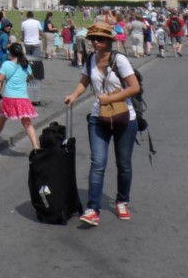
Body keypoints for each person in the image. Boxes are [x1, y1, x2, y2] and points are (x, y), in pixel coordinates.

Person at [63, 23, 140, 226]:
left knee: (123, 164)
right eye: (93, 38)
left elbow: (134, 87)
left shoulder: (119, 60)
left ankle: (122, 201)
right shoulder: (90, 59)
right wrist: (74, 95)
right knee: (97, 163)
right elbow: (84, 81)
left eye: (100, 38)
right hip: (99, 117)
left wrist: (110, 99)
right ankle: (93, 209)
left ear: (108, 41)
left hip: (125, 117)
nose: (95, 42)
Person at [0, 42, 39, 150]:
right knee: (27, 123)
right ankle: (36, 146)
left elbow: (0, 79)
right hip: (22, 97)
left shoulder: (6, 64)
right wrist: (25, 78)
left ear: (10, 53)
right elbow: (32, 78)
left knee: (1, 120)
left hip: (9, 97)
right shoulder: (25, 64)